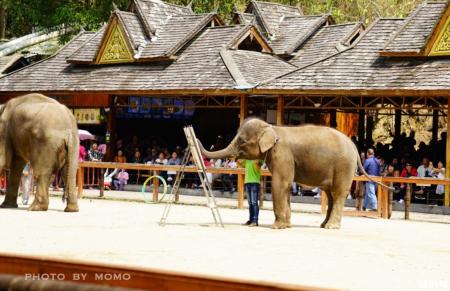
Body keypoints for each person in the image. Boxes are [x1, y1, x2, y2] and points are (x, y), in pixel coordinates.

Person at [238, 159, 263, 227]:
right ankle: (251, 220)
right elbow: (240, 163)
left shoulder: (258, 159)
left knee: (254, 202)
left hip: (255, 182)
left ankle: (255, 221)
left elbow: (259, 165)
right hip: (247, 182)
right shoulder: (247, 160)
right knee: (250, 203)